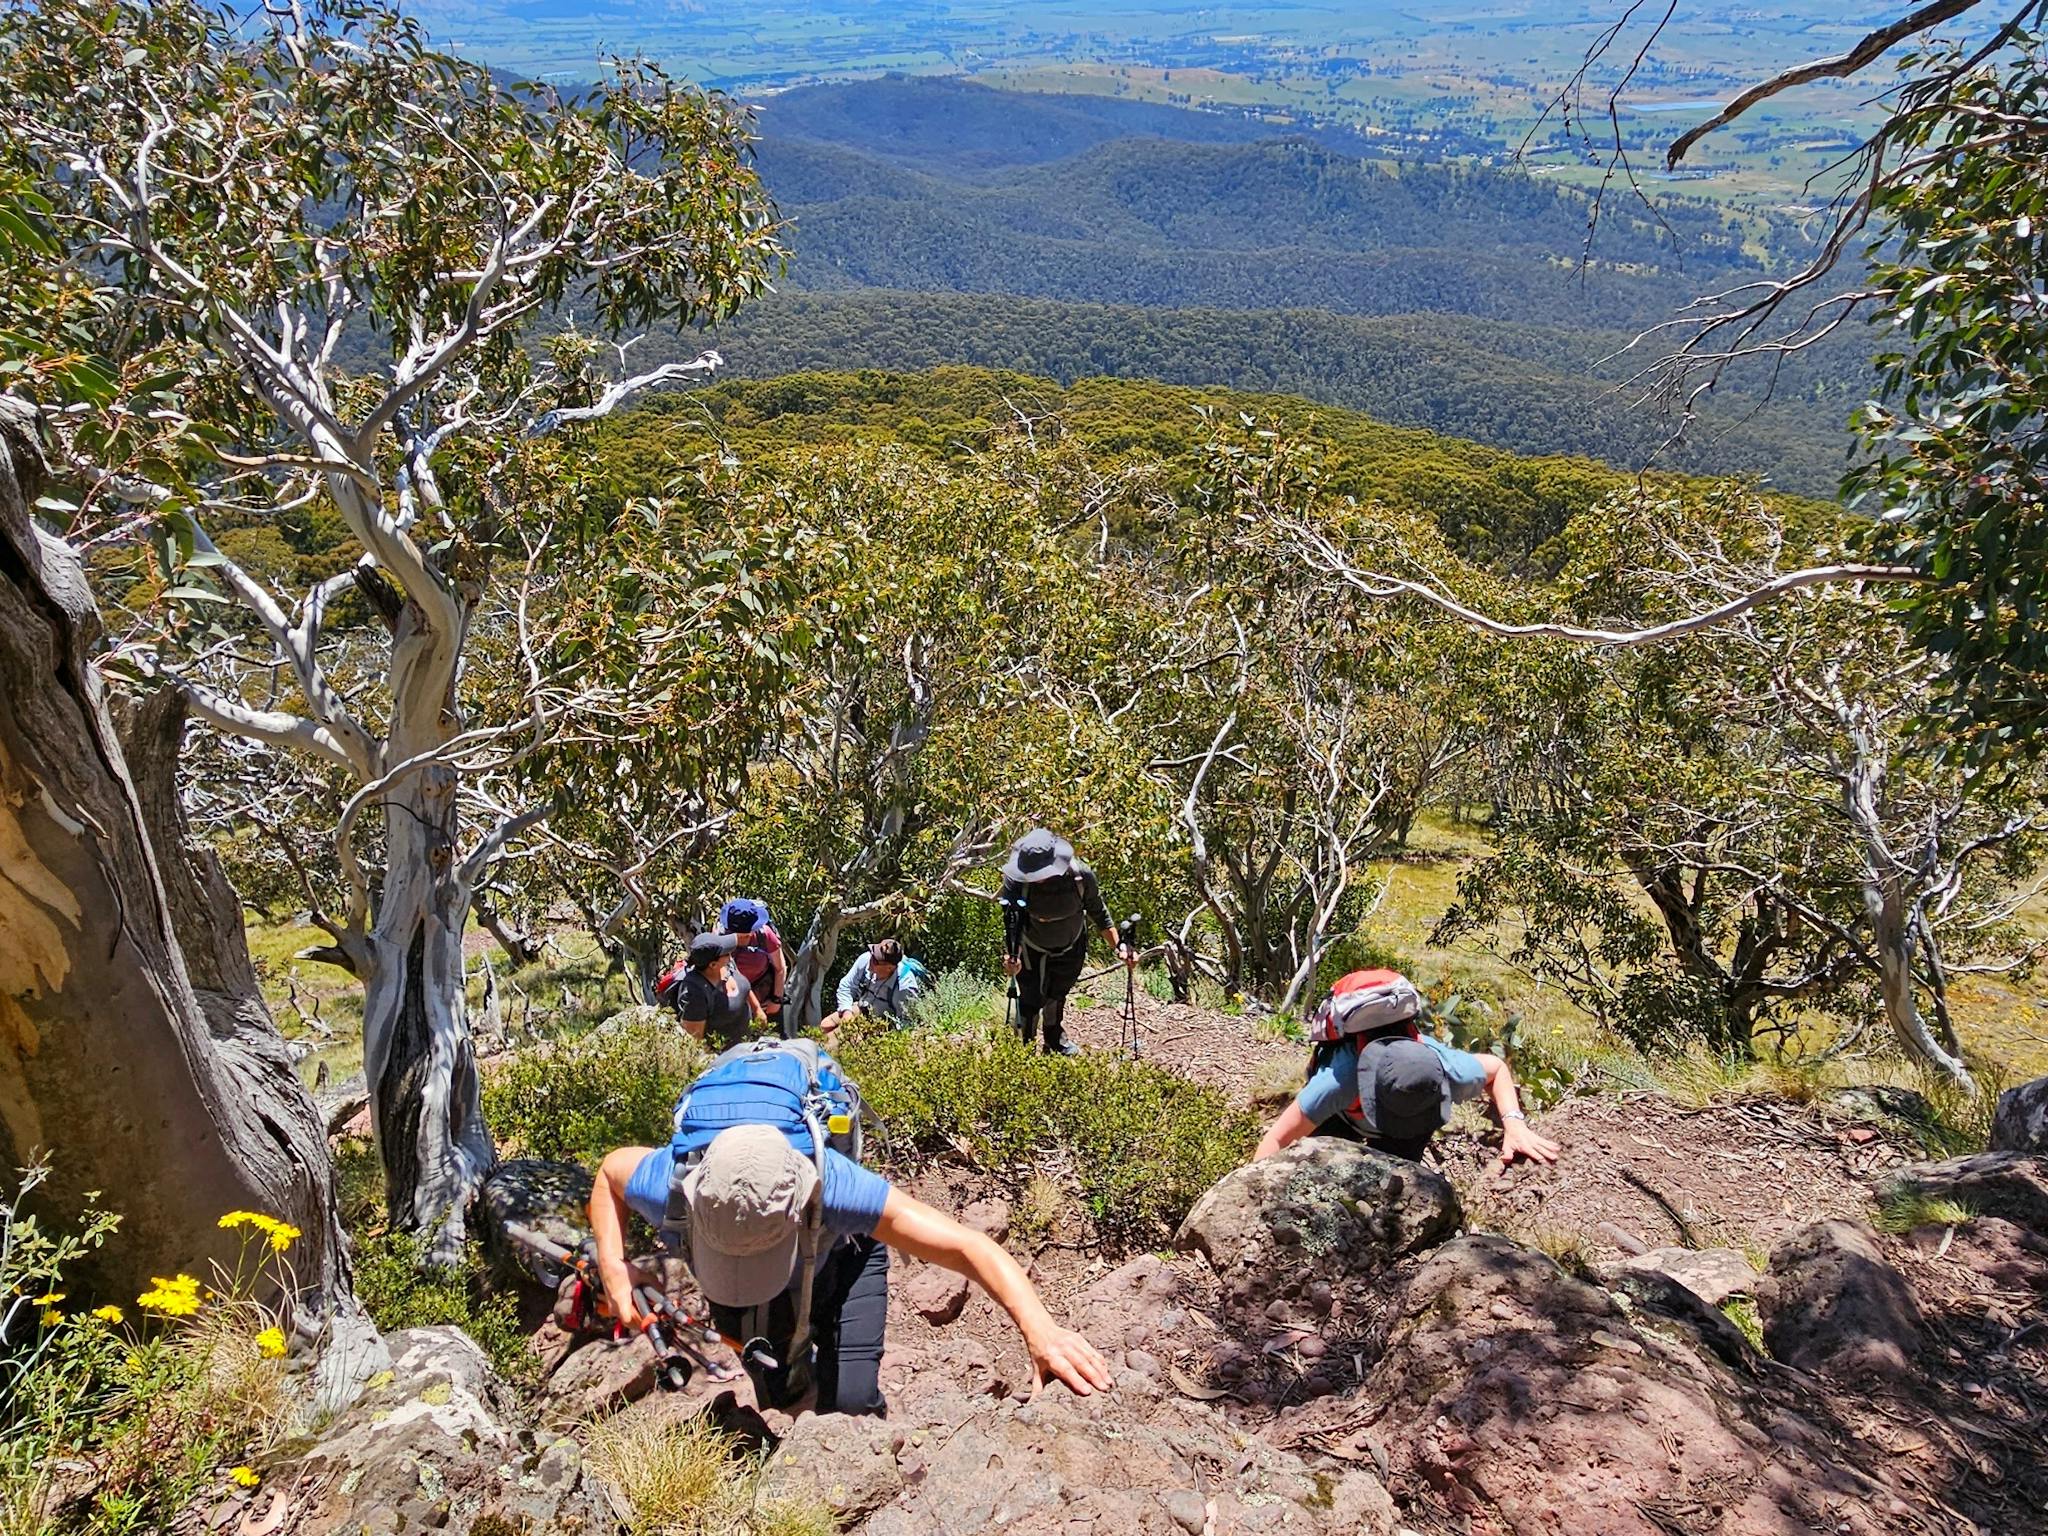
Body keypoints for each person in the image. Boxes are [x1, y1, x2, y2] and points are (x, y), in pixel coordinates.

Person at [587, 1037, 1112, 1416]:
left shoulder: (833, 1187)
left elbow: (967, 1247)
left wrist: (1040, 1329)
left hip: (844, 1257)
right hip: (760, 1275)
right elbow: (610, 1173)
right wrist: (614, 1268)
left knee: (852, 1405)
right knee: (778, 1392)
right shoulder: (676, 1182)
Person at [1254, 969, 1561, 1170]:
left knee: (1394, 1179)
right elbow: (1278, 1140)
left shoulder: (1444, 1068)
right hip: (1342, 1117)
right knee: (1317, 1163)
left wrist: (1515, 1124)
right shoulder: (1339, 1081)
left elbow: (1496, 1070)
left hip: (1402, 1129)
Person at [997, 827, 1135, 1055]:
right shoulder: (1016, 881)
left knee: (1057, 993)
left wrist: (1120, 949)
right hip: (1032, 946)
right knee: (1030, 998)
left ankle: (1053, 1039)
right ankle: (1026, 1047)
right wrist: (1013, 956)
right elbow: (1012, 920)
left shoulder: (1081, 876)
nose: (1036, 878)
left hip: (1072, 944)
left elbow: (1099, 914)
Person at [655, 933, 769, 1050]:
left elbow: (746, 991)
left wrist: (759, 1014)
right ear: (712, 965)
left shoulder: (727, 965)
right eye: (726, 952)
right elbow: (695, 1042)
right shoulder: (694, 993)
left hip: (748, 1048)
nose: (730, 953)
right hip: (724, 1061)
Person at [820, 939, 931, 1039]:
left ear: (889, 967)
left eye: (876, 961)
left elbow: (906, 1023)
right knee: (825, 1025)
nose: (870, 961)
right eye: (873, 954)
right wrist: (846, 1012)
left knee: (834, 1039)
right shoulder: (866, 958)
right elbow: (846, 986)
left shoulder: (905, 986)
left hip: (882, 1023)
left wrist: (873, 1035)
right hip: (862, 1008)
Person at [718, 897, 788, 1031]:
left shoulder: (765, 935)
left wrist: (776, 1000)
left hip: (764, 998)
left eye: (747, 935)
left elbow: (780, 968)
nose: (744, 939)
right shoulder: (720, 937)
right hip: (733, 1000)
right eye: (739, 935)